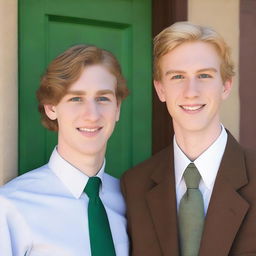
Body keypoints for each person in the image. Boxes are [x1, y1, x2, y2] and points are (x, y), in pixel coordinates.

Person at [121, 22, 256, 256]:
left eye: (204, 75)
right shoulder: (134, 185)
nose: (191, 91)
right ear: (160, 89)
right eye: (177, 77)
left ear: (225, 86)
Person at [0, 45, 129, 256]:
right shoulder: (10, 206)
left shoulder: (130, 200)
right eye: (76, 98)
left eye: (103, 98)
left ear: (117, 108)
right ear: (51, 107)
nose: (92, 115)